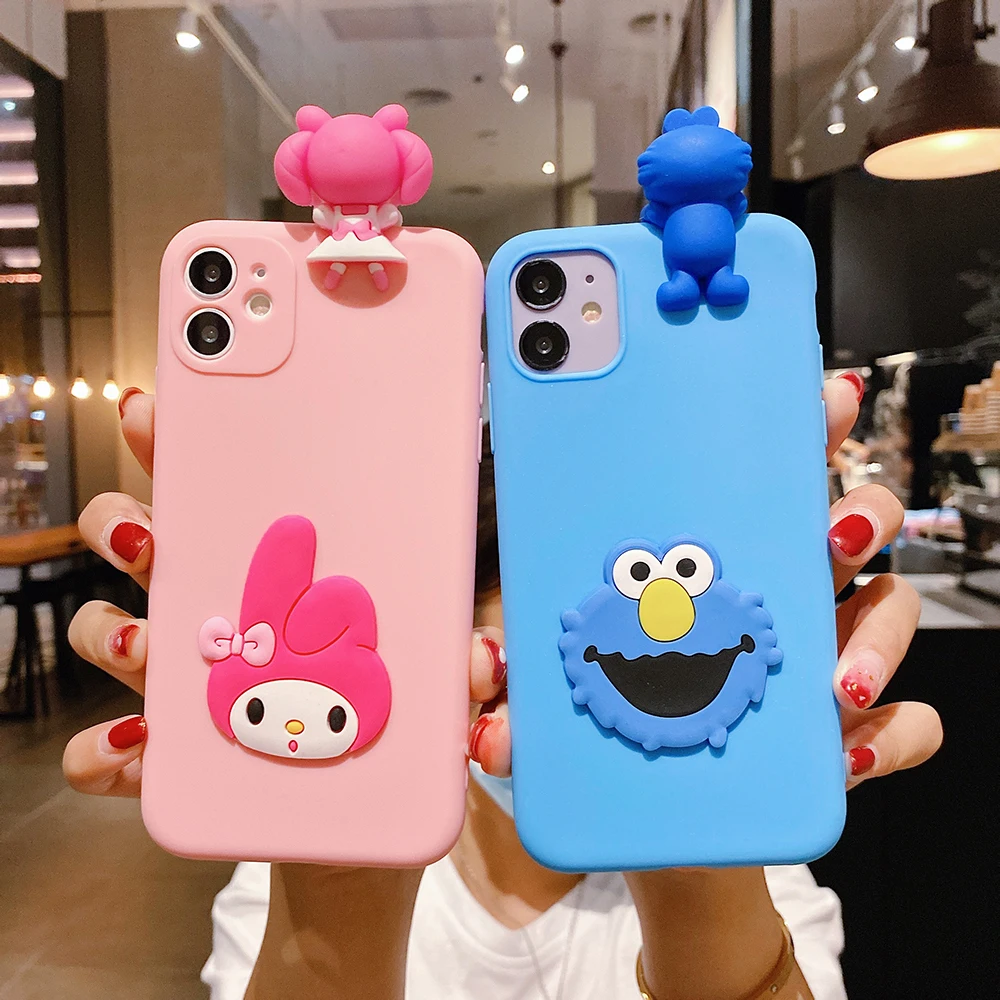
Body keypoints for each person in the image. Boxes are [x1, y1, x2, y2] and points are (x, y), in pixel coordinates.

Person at [63, 375, 942, 1000]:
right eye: (497, 673)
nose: (518, 720)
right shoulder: (301, 845)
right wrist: (336, 885)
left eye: (553, 680)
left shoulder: (743, 838)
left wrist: (696, 873)